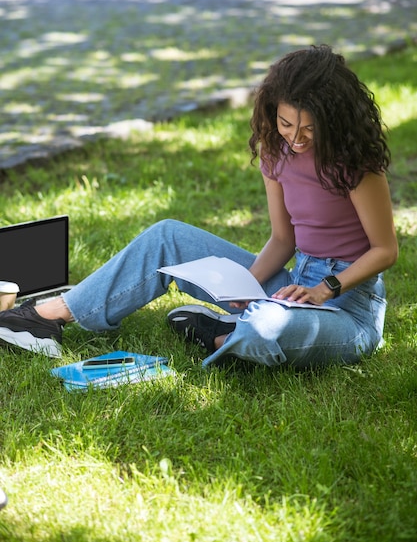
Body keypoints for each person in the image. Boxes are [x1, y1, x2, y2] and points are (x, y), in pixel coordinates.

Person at [0, 45, 398, 369]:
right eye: (286, 123)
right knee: (167, 235)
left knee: (268, 327)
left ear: (333, 118)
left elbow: (385, 250)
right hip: (294, 287)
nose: (296, 137)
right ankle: (45, 318)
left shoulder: (354, 162)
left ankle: (225, 333)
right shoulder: (275, 154)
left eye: (308, 127)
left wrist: (324, 290)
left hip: (348, 309)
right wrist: (245, 287)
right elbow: (282, 239)